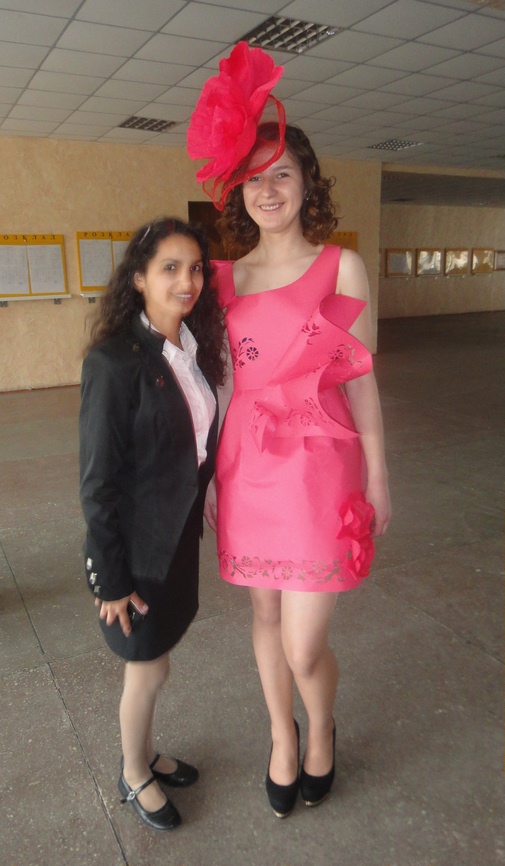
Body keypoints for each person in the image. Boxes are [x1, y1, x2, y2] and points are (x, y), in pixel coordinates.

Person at [187, 43, 392, 819]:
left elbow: (361, 379)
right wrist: (208, 476)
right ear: (236, 191)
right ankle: (282, 736)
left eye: (281, 174)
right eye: (253, 178)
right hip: (246, 465)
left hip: (318, 466)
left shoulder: (340, 267)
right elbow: (217, 386)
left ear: (307, 183)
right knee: (264, 617)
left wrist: (377, 478)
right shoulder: (222, 278)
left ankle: (321, 725)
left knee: (304, 643)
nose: (267, 190)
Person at [79, 217, 226, 831]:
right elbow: (97, 484)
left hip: (176, 540)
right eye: (169, 268)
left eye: (195, 268)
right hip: (137, 553)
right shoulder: (114, 362)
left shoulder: (191, 347)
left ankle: (144, 753)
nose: (187, 281)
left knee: (157, 657)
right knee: (147, 668)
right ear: (138, 278)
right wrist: (111, 580)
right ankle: (134, 772)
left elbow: (196, 441)